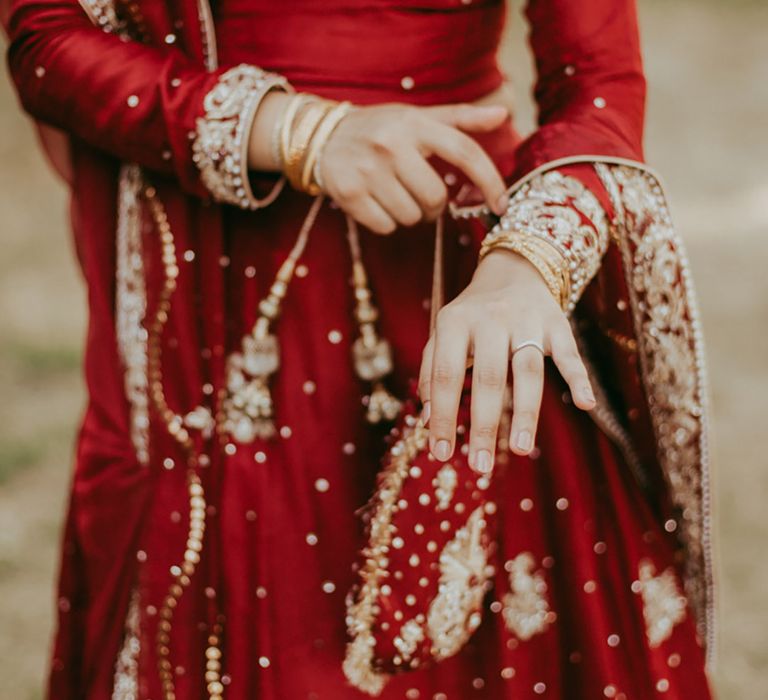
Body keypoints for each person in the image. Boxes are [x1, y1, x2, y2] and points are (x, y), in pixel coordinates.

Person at [5, 0, 715, 698]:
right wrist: (302, 132)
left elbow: (599, 83)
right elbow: (48, 39)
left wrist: (525, 266)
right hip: (221, 309)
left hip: (458, 299)